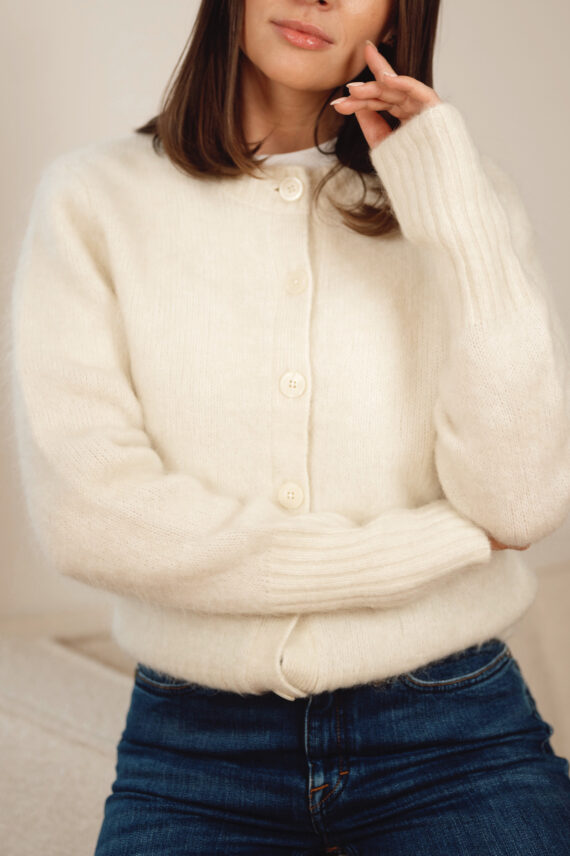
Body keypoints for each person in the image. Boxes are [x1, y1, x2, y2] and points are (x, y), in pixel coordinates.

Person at [9, 0, 570, 853]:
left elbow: (520, 504)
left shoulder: (463, 200)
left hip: (455, 734)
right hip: (193, 749)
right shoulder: (92, 200)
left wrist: (452, 207)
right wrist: (439, 545)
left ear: (399, 13)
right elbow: (89, 519)